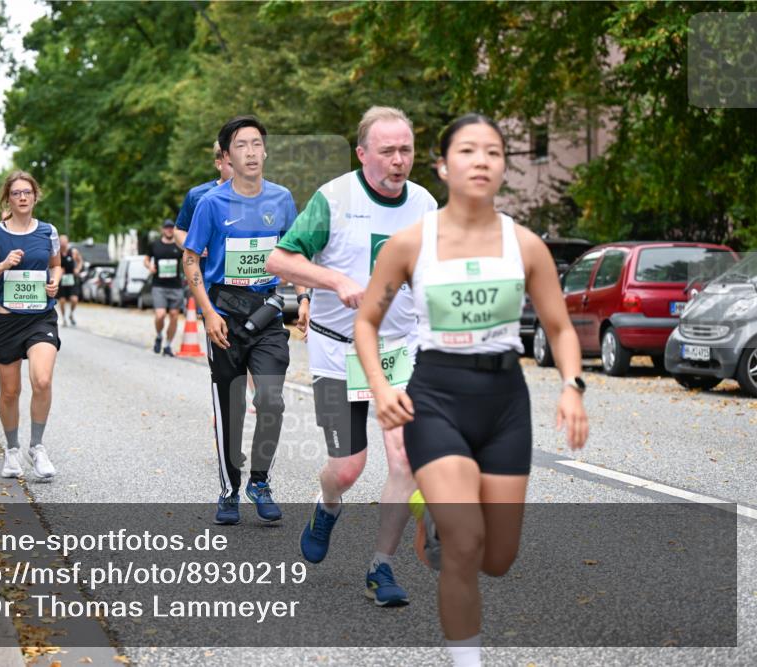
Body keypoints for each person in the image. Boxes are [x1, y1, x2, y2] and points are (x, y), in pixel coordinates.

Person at [354, 114, 589, 667]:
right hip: (436, 397)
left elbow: (559, 328)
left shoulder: (525, 245)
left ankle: (433, 515)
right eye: (467, 150)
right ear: (442, 165)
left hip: (504, 402)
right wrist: (382, 387)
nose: (481, 160)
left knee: (498, 557)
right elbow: (366, 322)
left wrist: (573, 387)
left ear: (503, 167)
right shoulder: (411, 244)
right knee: (464, 545)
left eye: (493, 152)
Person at [266, 106, 438, 607]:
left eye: (405, 150)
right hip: (337, 350)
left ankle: (380, 566)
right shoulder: (334, 199)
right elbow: (280, 258)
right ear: (363, 154)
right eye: (387, 151)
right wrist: (334, 279)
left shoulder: (425, 204)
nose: (398, 160)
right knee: (347, 467)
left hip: (396, 351)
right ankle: (327, 505)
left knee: (404, 457)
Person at [182, 115, 302, 525]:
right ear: (227, 156)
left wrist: (302, 297)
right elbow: (191, 258)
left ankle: (261, 481)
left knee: (271, 400)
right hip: (224, 315)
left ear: (264, 150)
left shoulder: (282, 199)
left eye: (256, 144)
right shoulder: (211, 204)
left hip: (267, 312)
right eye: (241, 146)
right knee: (230, 406)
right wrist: (208, 313)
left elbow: (293, 255)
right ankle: (229, 489)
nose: (250, 152)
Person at [0, 170, 60, 481]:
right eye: (16, 193)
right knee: (10, 392)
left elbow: (56, 265)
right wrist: (3, 265)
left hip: (40, 318)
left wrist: (55, 284)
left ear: (35, 196)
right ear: (7, 198)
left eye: (27, 192)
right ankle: (11, 451)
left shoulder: (48, 231)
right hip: (6, 321)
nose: (22, 197)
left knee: (43, 380)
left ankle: (37, 447)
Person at [174, 140, 234, 252]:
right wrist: (192, 247)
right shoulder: (197, 195)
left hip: (246, 269)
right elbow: (179, 231)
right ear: (219, 164)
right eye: (232, 165)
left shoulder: (261, 195)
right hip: (206, 268)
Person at [144, 219, 184, 356]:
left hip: (176, 286)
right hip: (159, 285)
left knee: (174, 316)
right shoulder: (155, 245)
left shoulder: (179, 246)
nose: (169, 230)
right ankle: (159, 335)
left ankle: (167, 345)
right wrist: (150, 266)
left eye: (171, 228)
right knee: (160, 315)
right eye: (166, 228)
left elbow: (188, 258)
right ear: (162, 229)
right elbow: (146, 259)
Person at [57, 235, 83, 326]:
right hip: (62, 278)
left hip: (72, 277)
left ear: (67, 242)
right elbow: (54, 265)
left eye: (64, 242)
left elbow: (80, 261)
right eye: (61, 242)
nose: (63, 244)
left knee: (74, 299)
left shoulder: (73, 252)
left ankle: (71, 314)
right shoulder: (57, 253)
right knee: (62, 300)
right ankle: (64, 318)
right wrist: (59, 272)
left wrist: (78, 269)